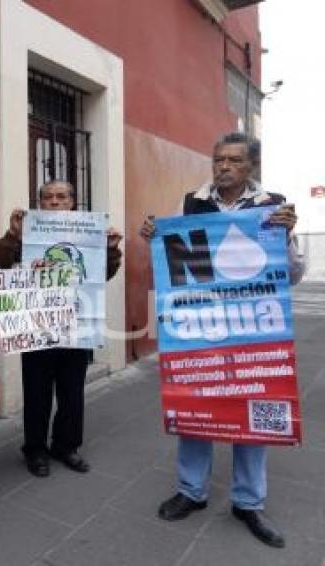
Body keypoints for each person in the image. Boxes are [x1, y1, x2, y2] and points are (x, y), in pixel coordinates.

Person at [140, 132, 305, 548]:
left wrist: (284, 237)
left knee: (252, 413)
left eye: (233, 160)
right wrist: (153, 237)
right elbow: (172, 261)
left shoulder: (273, 207)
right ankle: (191, 491)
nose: (224, 167)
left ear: (251, 166)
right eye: (218, 159)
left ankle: (248, 502)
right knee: (195, 407)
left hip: (254, 332)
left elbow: (294, 274)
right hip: (201, 330)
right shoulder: (192, 203)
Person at [0, 181, 122, 478]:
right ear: (40, 203)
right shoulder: (28, 232)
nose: (54, 202)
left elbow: (105, 273)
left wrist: (111, 251)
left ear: (73, 202)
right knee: (36, 391)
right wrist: (12, 235)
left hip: (77, 325)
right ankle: (35, 449)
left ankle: (66, 446)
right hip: (36, 324)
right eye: (48, 197)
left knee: (72, 391)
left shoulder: (90, 232)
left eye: (61, 197)